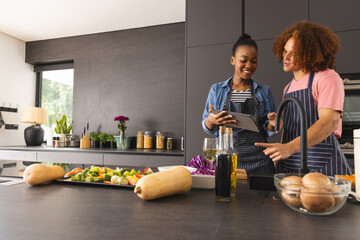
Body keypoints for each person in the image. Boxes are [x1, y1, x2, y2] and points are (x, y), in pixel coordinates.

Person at [255, 21, 351, 176]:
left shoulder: (327, 78)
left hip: (321, 165)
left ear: (310, 53)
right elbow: (294, 129)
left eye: (294, 53)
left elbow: (329, 122)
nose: (286, 57)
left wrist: (289, 147)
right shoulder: (288, 88)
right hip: (291, 164)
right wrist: (278, 124)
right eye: (285, 51)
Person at [202, 33, 276, 174]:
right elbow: (207, 127)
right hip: (227, 158)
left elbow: (267, 129)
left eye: (254, 61)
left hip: (260, 160)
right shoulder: (217, 89)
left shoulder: (264, 91)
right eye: (244, 60)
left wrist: (272, 123)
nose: (249, 65)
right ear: (232, 60)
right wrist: (211, 120)